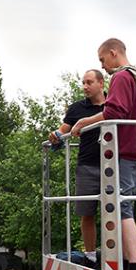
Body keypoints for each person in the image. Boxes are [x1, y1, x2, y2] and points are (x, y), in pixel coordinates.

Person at [71, 38, 136, 270]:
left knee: (123, 207)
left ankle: (133, 264)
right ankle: (129, 260)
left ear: (114, 53)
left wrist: (86, 121)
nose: (103, 66)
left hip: (124, 149)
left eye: (102, 60)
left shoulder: (121, 77)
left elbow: (114, 110)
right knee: (122, 205)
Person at [48, 69, 106, 251]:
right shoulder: (77, 108)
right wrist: (55, 136)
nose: (85, 87)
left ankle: (116, 255)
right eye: (83, 83)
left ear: (101, 83)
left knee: (116, 213)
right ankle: (90, 255)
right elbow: (62, 132)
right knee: (87, 213)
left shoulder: (114, 105)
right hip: (87, 166)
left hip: (114, 165)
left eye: (89, 82)